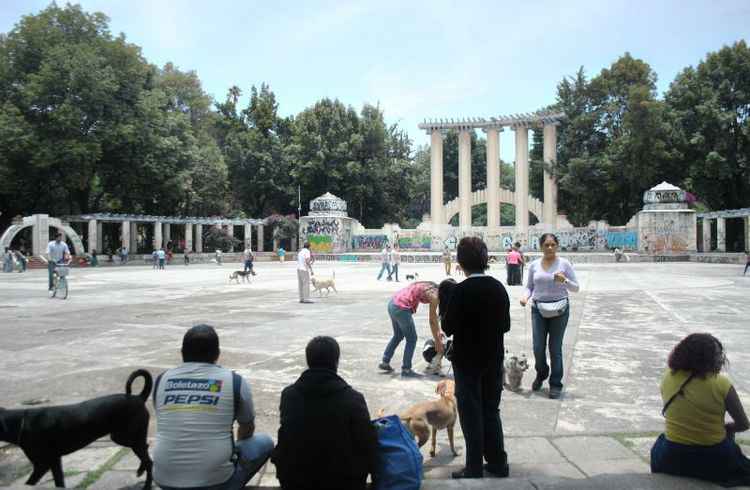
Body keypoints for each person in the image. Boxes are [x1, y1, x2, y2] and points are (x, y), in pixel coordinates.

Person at [153, 325, 274, 490]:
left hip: (164, 479)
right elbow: (247, 427)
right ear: (217, 353)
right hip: (218, 482)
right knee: (265, 442)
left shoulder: (162, 380)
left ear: (182, 352)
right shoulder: (235, 382)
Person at [441, 237, 510, 479]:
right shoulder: (498, 288)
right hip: (493, 358)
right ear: (485, 259)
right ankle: (498, 462)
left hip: (467, 361)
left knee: (471, 413)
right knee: (491, 410)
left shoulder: (460, 291)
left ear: (460, 262)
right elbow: (505, 325)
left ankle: (473, 466)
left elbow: (447, 327)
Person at [272, 336, 378, 490]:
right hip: (344, 482)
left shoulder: (289, 395)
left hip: (295, 480)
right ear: (336, 362)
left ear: (308, 361)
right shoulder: (352, 398)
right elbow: (368, 443)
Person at [651, 333, 750, 487]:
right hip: (712, 457)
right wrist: (726, 428)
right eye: (718, 356)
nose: (721, 360)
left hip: (671, 457)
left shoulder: (668, 377)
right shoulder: (722, 384)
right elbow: (743, 424)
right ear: (707, 359)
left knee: (661, 440)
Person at [520, 233, 579, 399]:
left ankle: (555, 383)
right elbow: (530, 286)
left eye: (553, 245)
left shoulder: (564, 264)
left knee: (555, 348)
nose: (550, 248)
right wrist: (525, 297)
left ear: (557, 246)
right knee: (538, 347)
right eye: (546, 245)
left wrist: (565, 281)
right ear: (541, 247)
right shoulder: (534, 265)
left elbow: (576, 288)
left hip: (560, 309)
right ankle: (542, 372)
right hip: (538, 309)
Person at [379, 280, 442, 377]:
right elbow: (432, 320)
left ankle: (385, 361)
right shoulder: (434, 295)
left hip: (393, 303)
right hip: (402, 307)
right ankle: (406, 369)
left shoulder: (426, 285)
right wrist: (438, 340)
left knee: (398, 335)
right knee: (412, 339)